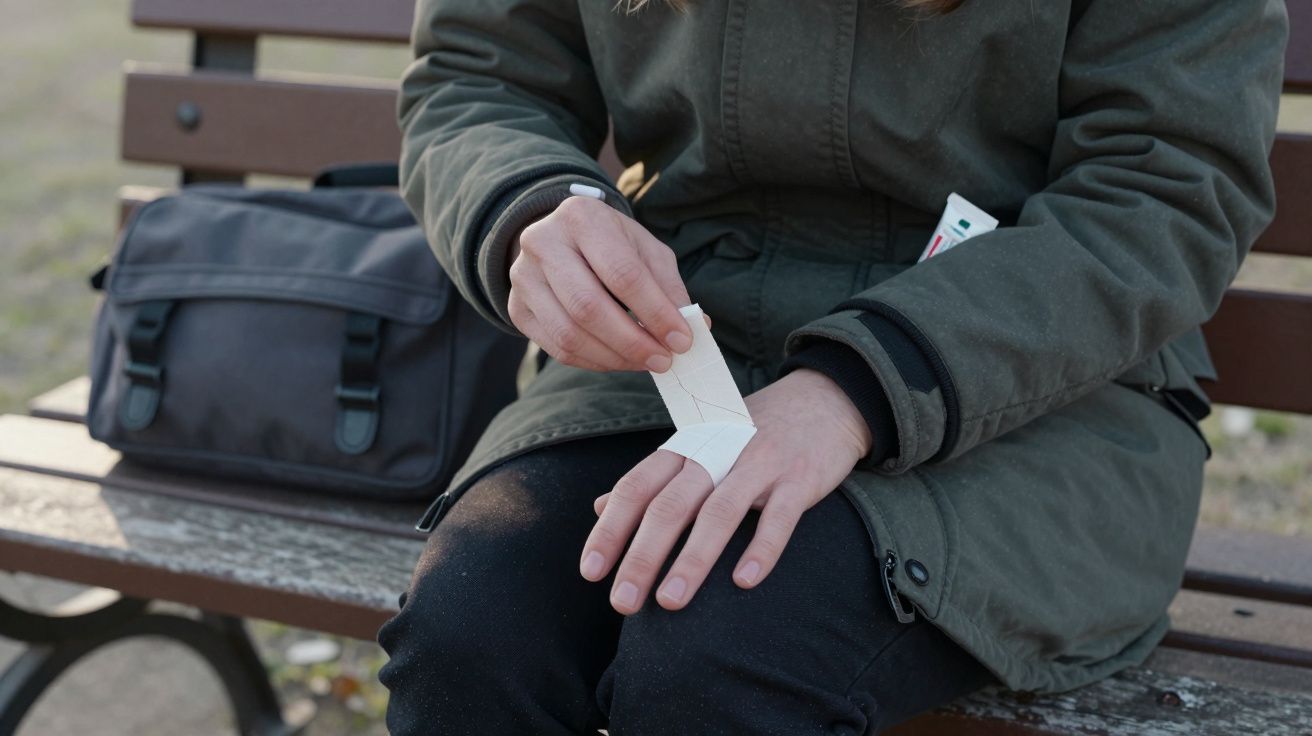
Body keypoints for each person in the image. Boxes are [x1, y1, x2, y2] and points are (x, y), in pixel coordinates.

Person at [377, 0, 1288, 732]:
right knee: (475, 627)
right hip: (688, 339)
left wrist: (854, 391)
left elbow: (1163, 188)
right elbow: (479, 76)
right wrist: (529, 206)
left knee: (726, 643)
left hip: (1034, 377)